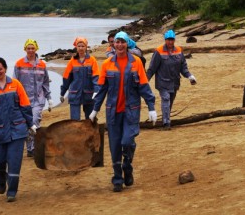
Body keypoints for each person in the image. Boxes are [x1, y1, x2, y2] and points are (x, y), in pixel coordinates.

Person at [89, 31, 157, 192]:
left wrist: (152, 107)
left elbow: (144, 87)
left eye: (122, 42)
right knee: (114, 146)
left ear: (128, 44)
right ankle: (117, 179)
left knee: (127, 141)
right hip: (113, 112)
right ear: (113, 45)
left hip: (131, 111)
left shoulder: (136, 63)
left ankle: (127, 165)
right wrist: (95, 109)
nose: (119, 45)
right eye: (116, 42)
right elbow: (101, 89)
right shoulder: (107, 64)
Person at [0, 57, 36, 202]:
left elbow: (25, 105)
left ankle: (11, 191)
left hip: (17, 129)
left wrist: (31, 124)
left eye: (0, 69)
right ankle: (0, 173)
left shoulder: (16, 85)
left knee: (14, 161)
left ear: (5, 68)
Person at [146, 29, 197, 130]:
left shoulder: (179, 51)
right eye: (168, 40)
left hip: (175, 82)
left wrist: (190, 76)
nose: (170, 42)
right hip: (162, 82)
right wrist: (145, 80)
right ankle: (166, 123)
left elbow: (183, 67)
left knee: (170, 101)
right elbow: (152, 68)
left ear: (174, 40)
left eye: (172, 40)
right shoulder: (159, 51)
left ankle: (166, 118)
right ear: (165, 40)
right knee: (166, 99)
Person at [14, 39, 53, 158]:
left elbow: (45, 82)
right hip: (24, 100)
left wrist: (49, 98)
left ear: (36, 49)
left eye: (32, 48)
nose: (30, 50)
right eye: (28, 48)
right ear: (25, 49)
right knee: (27, 124)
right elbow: (15, 83)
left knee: (34, 121)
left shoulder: (42, 64)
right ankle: (31, 148)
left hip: (38, 99)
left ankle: (33, 147)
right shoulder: (19, 64)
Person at [60, 37, 99, 120]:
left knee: (90, 120)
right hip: (75, 94)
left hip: (89, 94)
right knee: (74, 121)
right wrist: (62, 93)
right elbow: (67, 78)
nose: (81, 48)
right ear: (76, 47)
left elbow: (95, 77)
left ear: (86, 47)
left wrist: (96, 91)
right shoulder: (72, 61)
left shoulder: (92, 60)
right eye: (79, 46)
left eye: (83, 46)